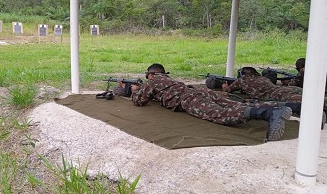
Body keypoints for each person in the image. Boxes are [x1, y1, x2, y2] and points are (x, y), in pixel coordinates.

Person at [127, 63, 293, 141]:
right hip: (201, 92)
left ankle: (270, 113)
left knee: (218, 114)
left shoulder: (153, 81)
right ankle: (290, 107)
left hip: (189, 99)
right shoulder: (170, 80)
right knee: (237, 105)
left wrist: (135, 91)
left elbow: (140, 101)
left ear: (150, 75)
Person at [222, 67, 303, 103]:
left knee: (304, 102)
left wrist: (225, 87)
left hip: (276, 95)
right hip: (285, 89)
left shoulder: (242, 80)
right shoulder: (263, 78)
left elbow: (228, 90)